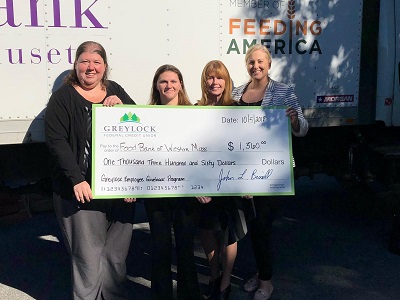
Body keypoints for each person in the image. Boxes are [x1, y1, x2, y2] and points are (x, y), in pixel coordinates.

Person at [44, 41, 136, 300]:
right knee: (87, 258)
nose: (90, 67)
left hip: (118, 192)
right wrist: (76, 180)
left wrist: (125, 107)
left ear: (105, 67)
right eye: (84, 61)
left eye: (96, 62)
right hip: (83, 192)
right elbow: (57, 141)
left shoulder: (115, 90)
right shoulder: (63, 97)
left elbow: (142, 128)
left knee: (116, 257)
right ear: (76, 65)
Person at [232, 44, 309, 300]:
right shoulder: (237, 93)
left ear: (269, 64)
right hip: (241, 172)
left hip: (269, 173)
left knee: (262, 225)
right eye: (251, 62)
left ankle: (266, 282)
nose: (256, 66)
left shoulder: (284, 92)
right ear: (246, 65)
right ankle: (259, 271)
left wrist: (295, 120)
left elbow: (302, 129)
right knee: (251, 227)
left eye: (260, 62)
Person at [144, 64, 201, 300]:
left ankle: (190, 296)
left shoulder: (194, 112)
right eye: (163, 81)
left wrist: (204, 185)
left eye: (173, 81)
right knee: (160, 249)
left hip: (187, 194)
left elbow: (204, 152)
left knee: (186, 249)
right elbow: (140, 154)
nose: (168, 86)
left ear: (181, 85)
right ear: (156, 86)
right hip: (156, 194)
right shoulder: (147, 114)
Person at [196, 60, 247, 300]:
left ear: (226, 82)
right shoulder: (195, 109)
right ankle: (214, 275)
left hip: (231, 180)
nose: (214, 82)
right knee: (207, 231)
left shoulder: (237, 109)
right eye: (210, 77)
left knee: (229, 233)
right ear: (205, 81)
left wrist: (250, 182)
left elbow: (249, 147)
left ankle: (226, 281)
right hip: (204, 182)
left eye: (219, 78)